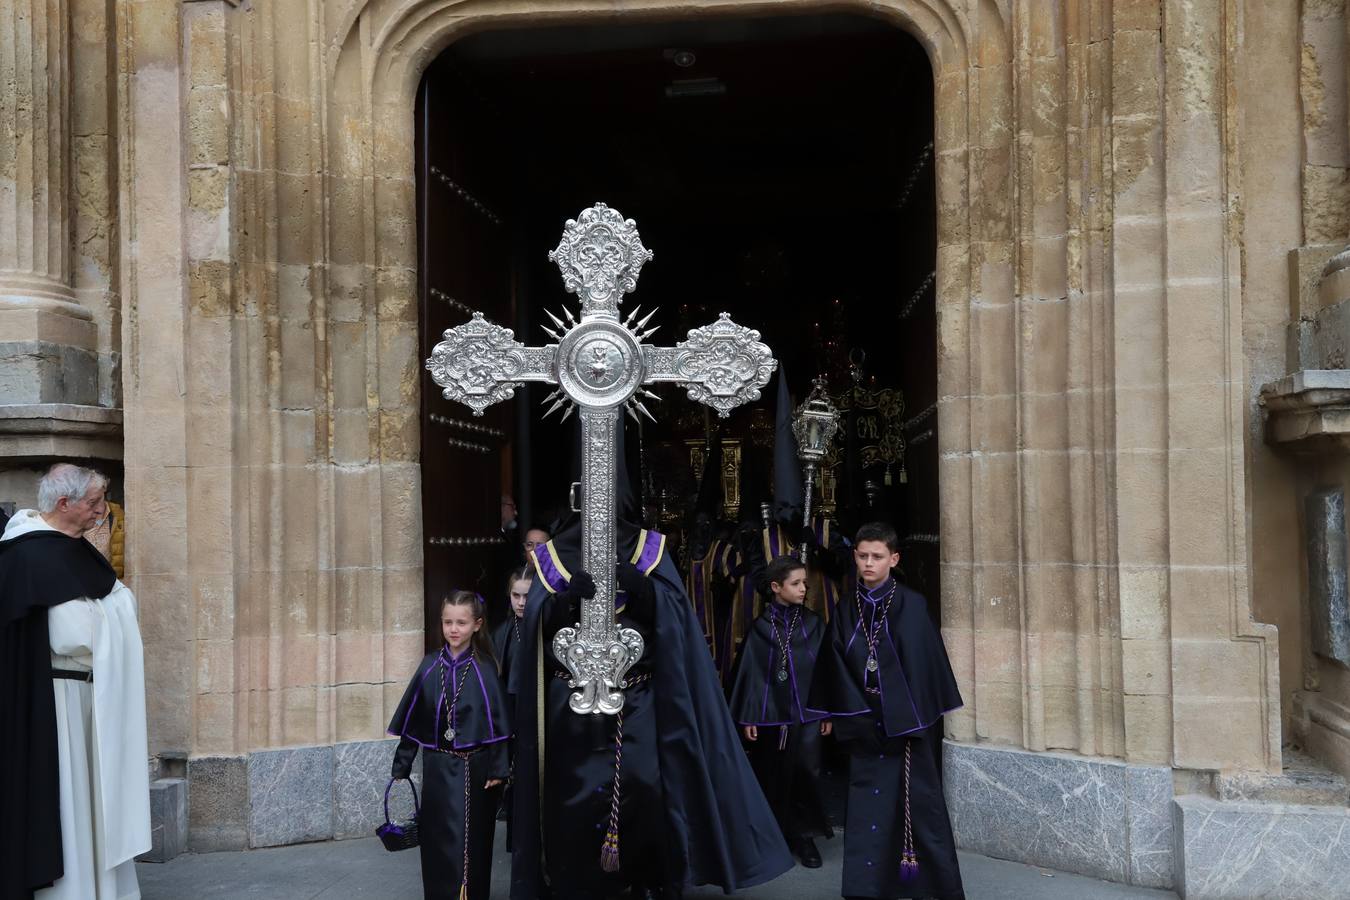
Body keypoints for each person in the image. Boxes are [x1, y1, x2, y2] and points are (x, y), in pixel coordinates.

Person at [509, 423, 792, 900]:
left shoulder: (651, 550)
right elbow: (534, 626)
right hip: (568, 707)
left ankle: (646, 880)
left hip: (637, 703)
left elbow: (677, 626)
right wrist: (559, 604)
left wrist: (647, 596)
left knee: (645, 793)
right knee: (569, 800)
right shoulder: (553, 556)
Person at [0, 464, 151, 900]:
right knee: (70, 802)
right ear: (64, 504)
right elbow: (74, 634)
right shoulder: (28, 554)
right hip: (56, 704)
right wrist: (116, 612)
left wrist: (112, 610)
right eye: (94, 503)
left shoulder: (73, 549)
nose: (102, 512)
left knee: (95, 803)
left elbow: (109, 605)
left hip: (87, 698)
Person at [812, 522, 965, 900]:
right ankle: (869, 888)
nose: (868, 563)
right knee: (869, 808)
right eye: (862, 556)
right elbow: (834, 663)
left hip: (906, 726)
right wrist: (855, 711)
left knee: (919, 807)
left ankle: (932, 889)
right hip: (863, 721)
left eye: (876, 557)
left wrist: (904, 714)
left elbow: (923, 665)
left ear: (893, 559)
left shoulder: (912, 604)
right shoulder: (847, 608)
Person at [388, 591, 510, 900]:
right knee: (438, 837)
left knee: (471, 839)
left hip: (476, 768)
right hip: (438, 766)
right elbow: (413, 720)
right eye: (447, 622)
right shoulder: (430, 666)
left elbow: (497, 724)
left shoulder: (485, 669)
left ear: (477, 625)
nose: (453, 629)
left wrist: (499, 766)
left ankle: (469, 893)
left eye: (461, 623)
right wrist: (402, 763)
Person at [727, 555, 834, 869]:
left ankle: (804, 835)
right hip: (771, 718)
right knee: (770, 774)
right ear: (776, 587)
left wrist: (826, 711)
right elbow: (750, 673)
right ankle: (772, 835)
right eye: (796, 583)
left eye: (805, 583)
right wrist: (748, 715)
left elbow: (825, 670)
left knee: (807, 773)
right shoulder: (760, 629)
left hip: (807, 717)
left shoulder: (814, 624)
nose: (803, 589)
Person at [491, 567, 531, 845]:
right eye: (515, 595)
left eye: (526, 596)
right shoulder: (503, 632)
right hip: (511, 709)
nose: (520, 602)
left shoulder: (546, 625)